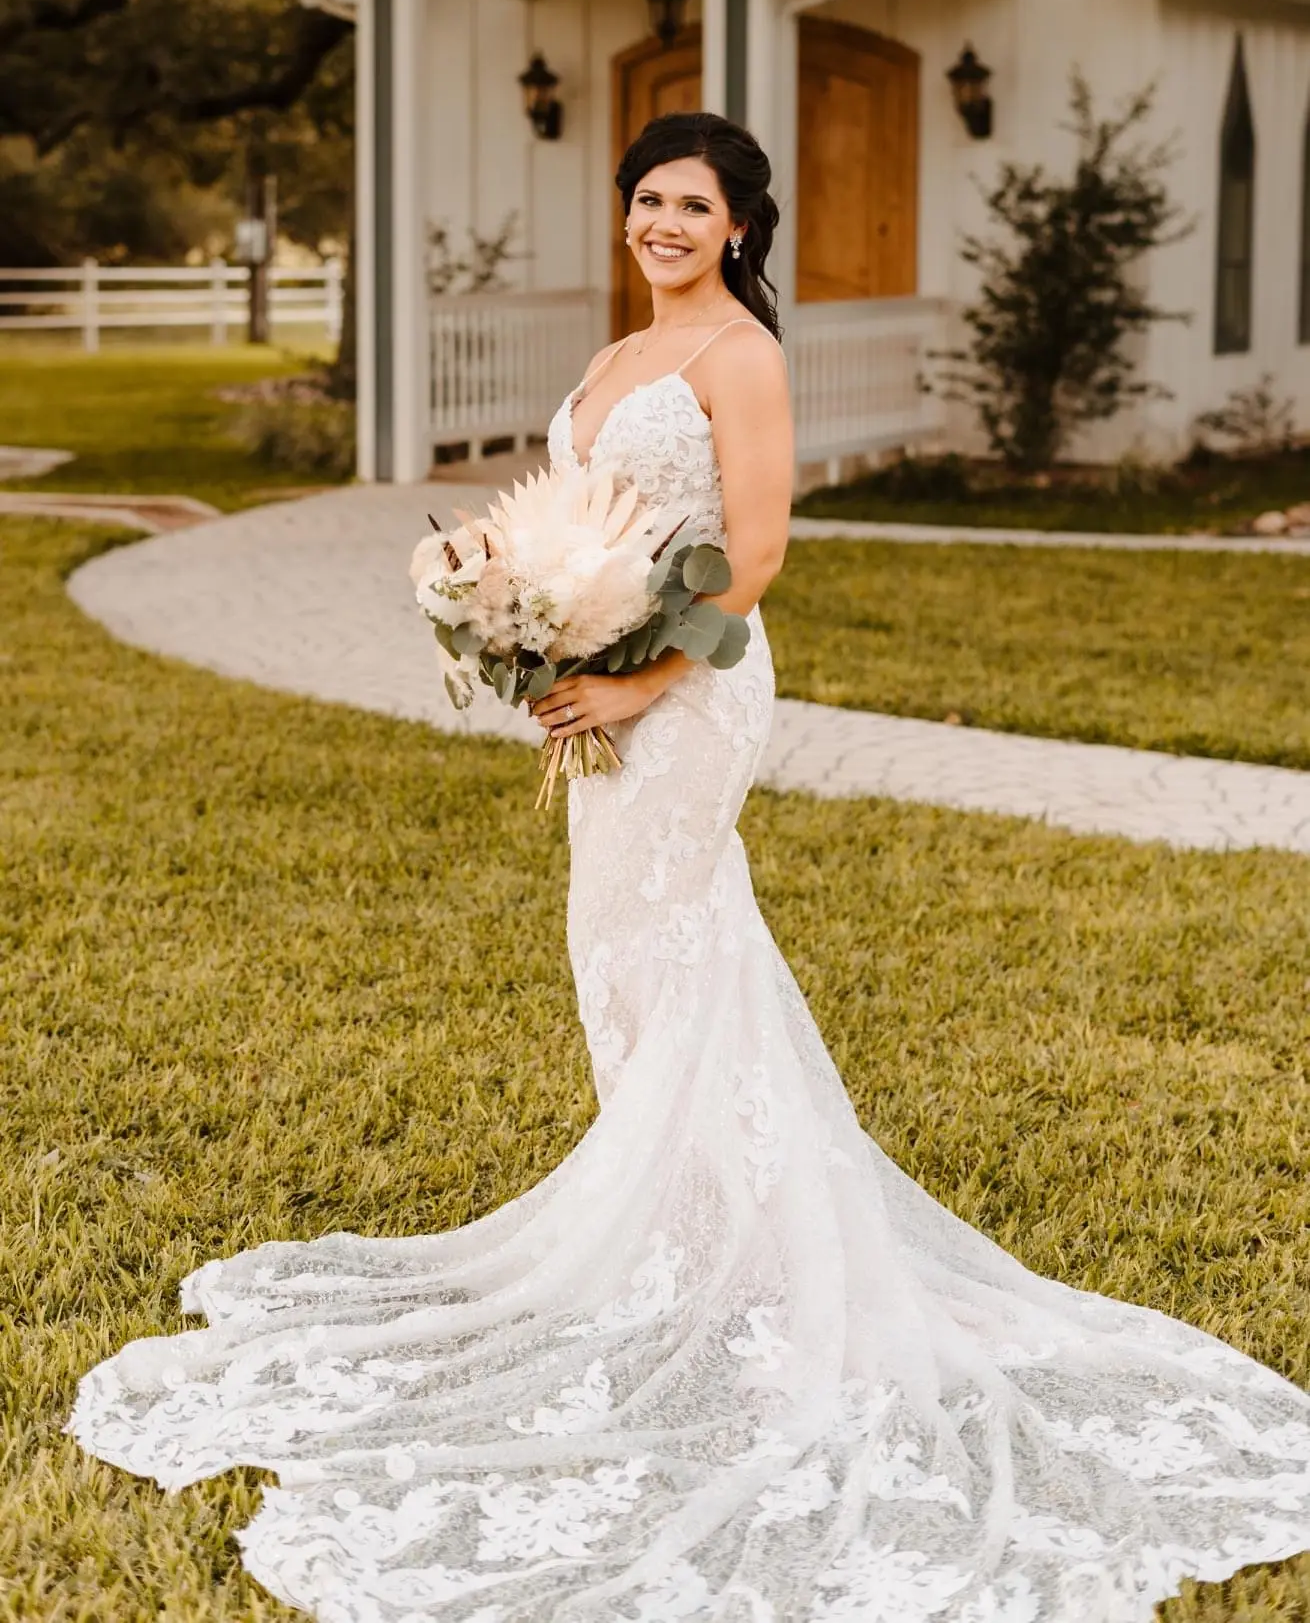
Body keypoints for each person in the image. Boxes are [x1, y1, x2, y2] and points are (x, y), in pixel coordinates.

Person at [67, 113, 1310, 1621]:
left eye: (692, 204)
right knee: (623, 952)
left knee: (663, 939)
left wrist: (644, 683)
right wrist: (524, 620)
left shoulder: (738, 356)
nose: (662, 221)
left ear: (739, 227)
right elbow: (578, 524)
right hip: (606, 676)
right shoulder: (613, 358)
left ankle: (734, 1261)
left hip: (697, 688)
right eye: (647, 198)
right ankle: (683, 1238)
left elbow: (762, 550)